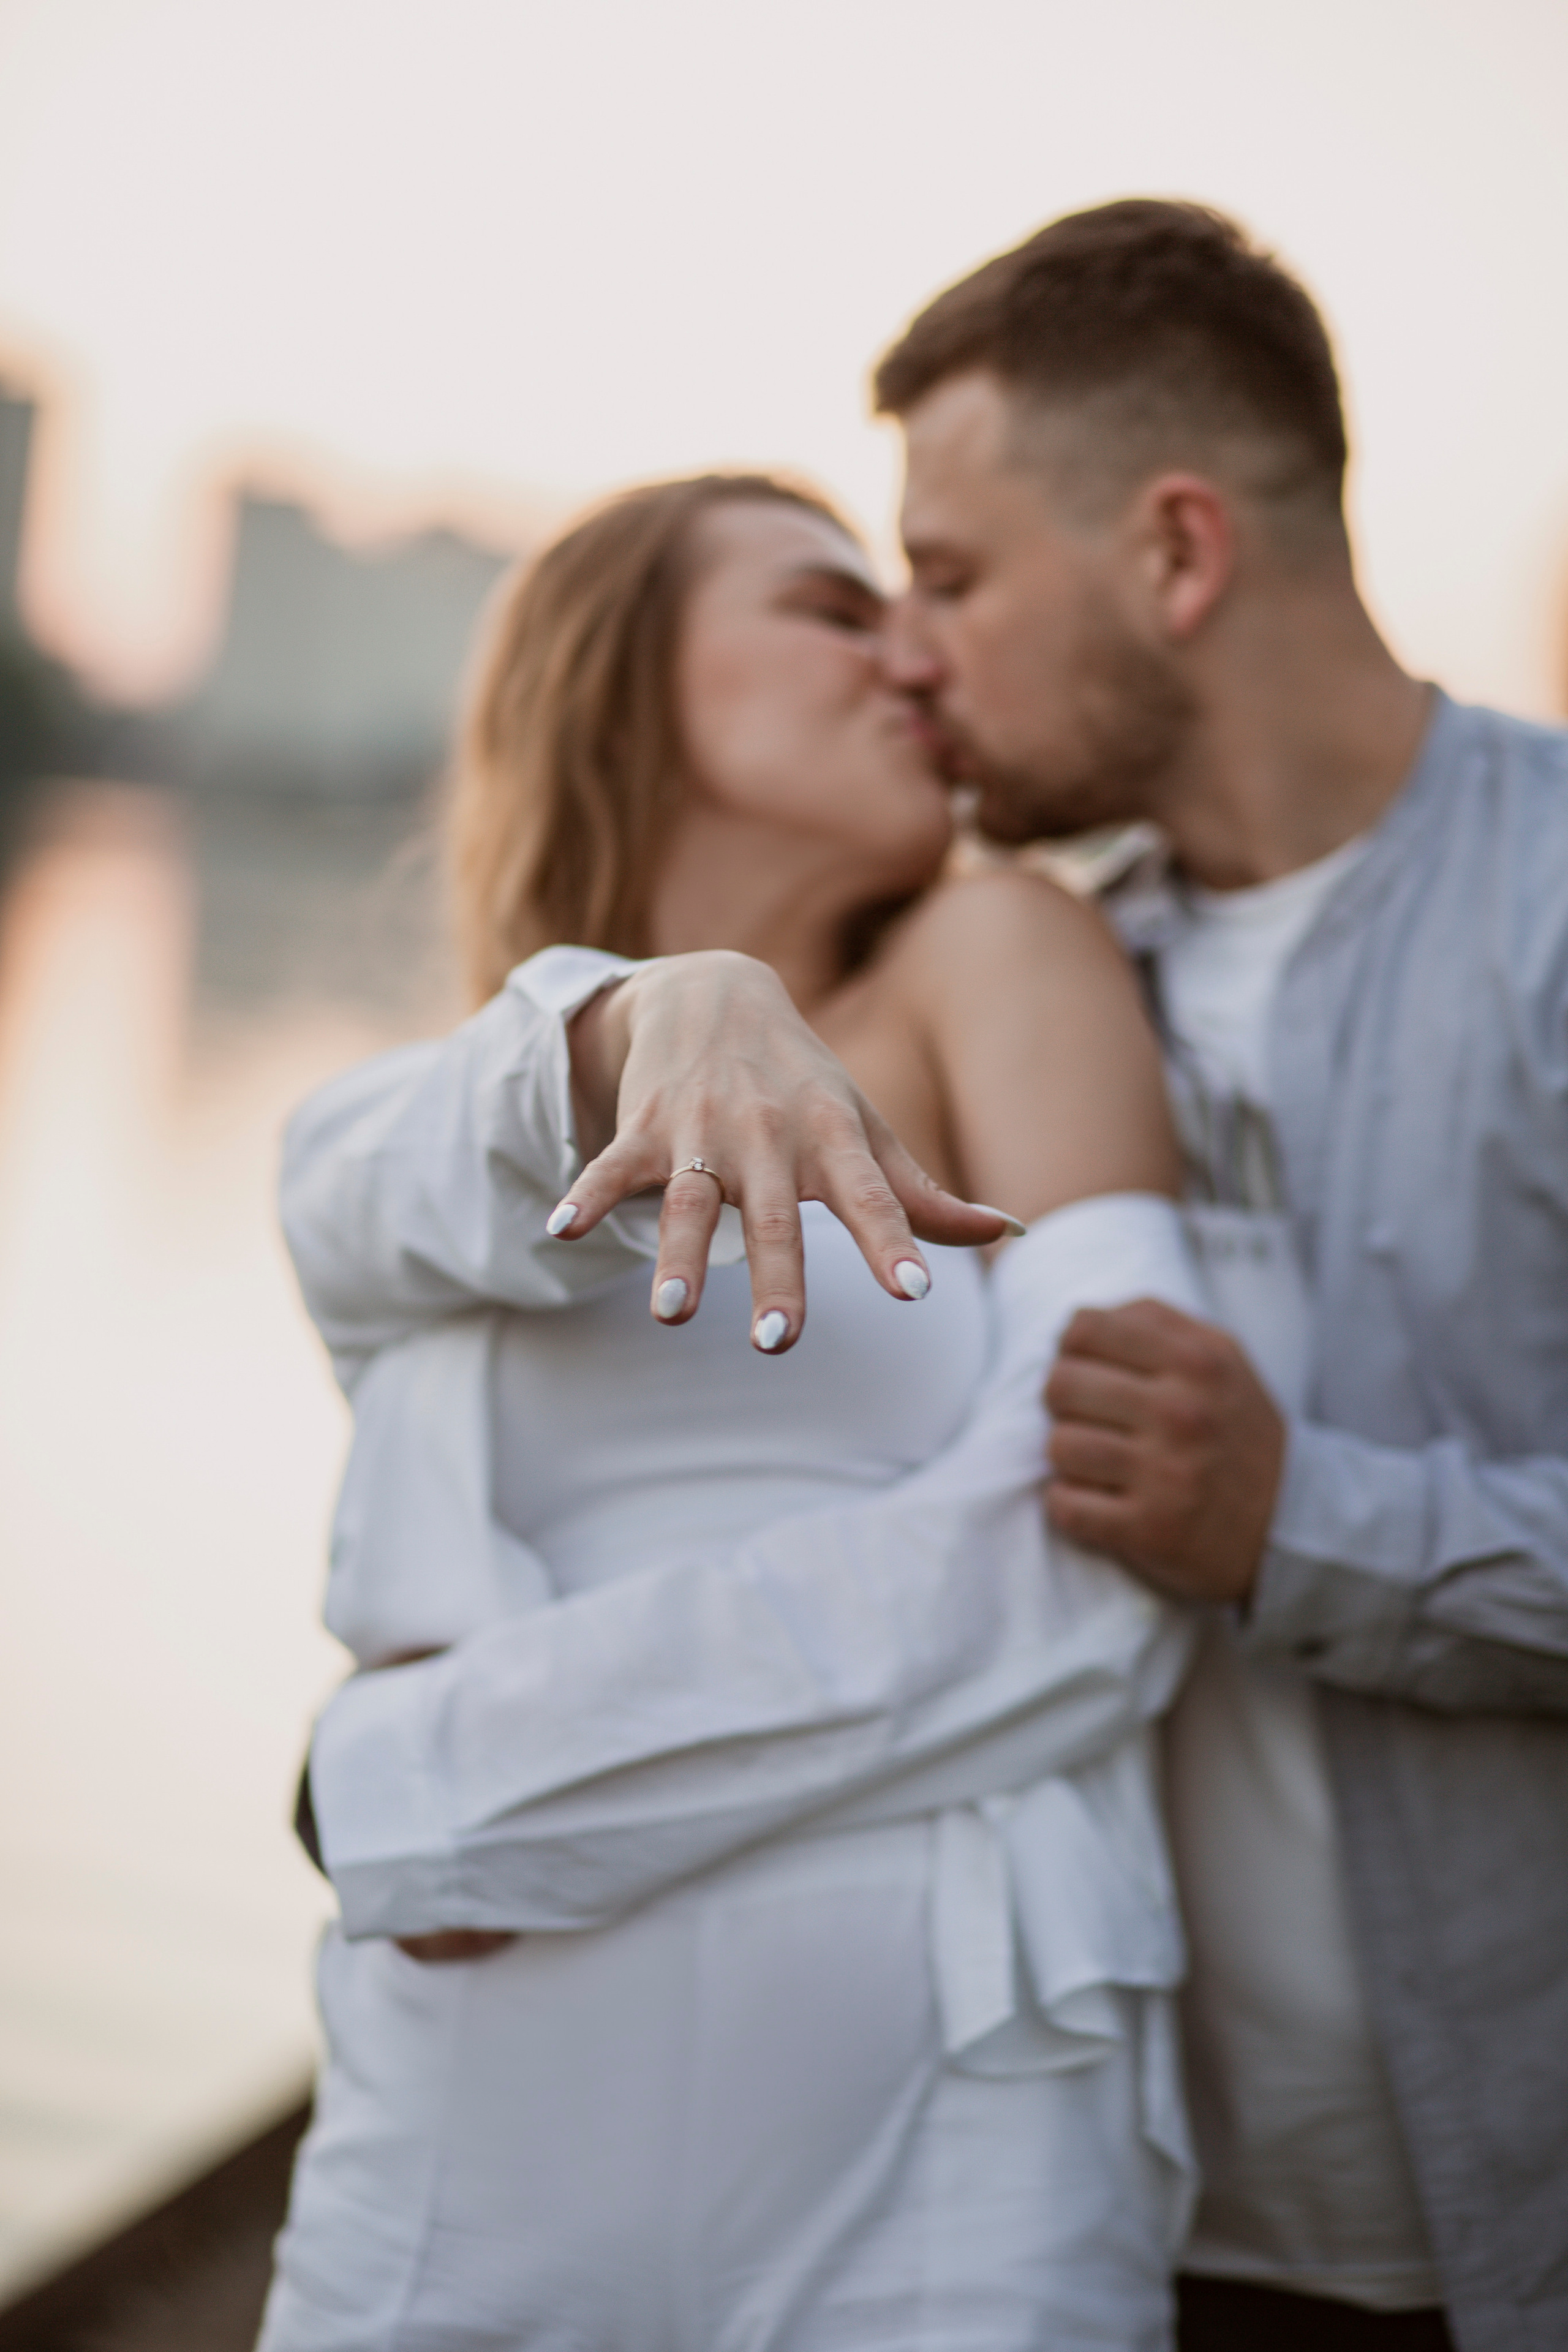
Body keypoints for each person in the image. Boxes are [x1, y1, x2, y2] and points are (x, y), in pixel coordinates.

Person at [349, 204, 1568, 2351]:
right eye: (876, 594)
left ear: (1176, 555)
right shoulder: (1056, 965)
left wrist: (1305, 1525)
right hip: (1131, 2181)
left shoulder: (1535, 912)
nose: (913, 649)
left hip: (1491, 2204)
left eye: (952, 574)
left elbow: (1109, 1546)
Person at [263, 471, 1215, 2350]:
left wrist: (435, 1786)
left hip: (949, 2140)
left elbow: (1113, 1553)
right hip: (458, 2150)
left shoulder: (1005, 951)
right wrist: (651, 1018)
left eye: (908, 607)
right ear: (627, 682)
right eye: (829, 607)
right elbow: (349, 1184)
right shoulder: (440, 1124)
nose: (908, 653)